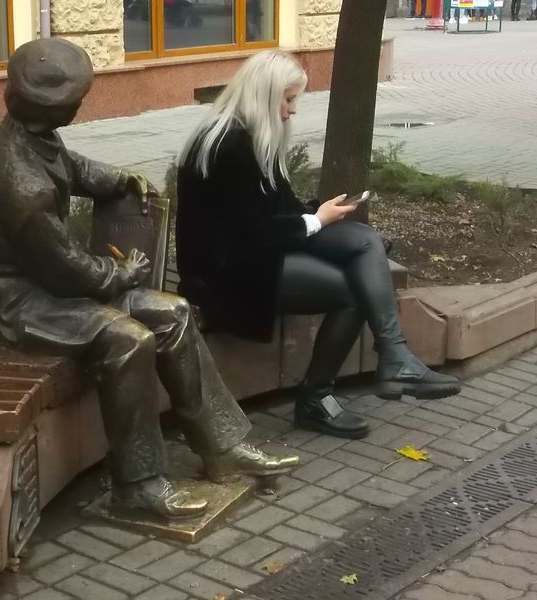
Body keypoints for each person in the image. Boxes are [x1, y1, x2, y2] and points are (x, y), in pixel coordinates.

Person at [0, 39, 298, 520]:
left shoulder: (27, 134)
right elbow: (66, 270)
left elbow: (69, 165)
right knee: (129, 340)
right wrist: (122, 273)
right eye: (77, 100)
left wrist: (115, 177)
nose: (80, 106)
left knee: (176, 313)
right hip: (17, 303)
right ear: (58, 107)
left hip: (45, 287)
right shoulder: (21, 186)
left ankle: (222, 445)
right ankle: (138, 484)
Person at [176, 51, 461, 441]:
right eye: (288, 99)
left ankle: (395, 356)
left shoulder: (247, 134)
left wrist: (318, 211)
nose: (292, 111)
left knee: (364, 240)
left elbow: (272, 208)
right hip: (228, 274)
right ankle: (319, 397)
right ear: (263, 94)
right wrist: (315, 221)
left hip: (256, 253)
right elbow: (252, 233)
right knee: (353, 290)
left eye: (295, 100)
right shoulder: (226, 147)